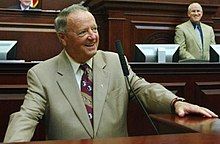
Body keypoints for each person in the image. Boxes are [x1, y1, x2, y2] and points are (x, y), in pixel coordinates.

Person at [3, 3, 218, 143]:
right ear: (62, 37)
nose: (93, 37)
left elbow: (143, 89)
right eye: (83, 32)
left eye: (94, 29)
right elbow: (27, 116)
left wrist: (175, 102)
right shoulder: (42, 74)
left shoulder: (115, 62)